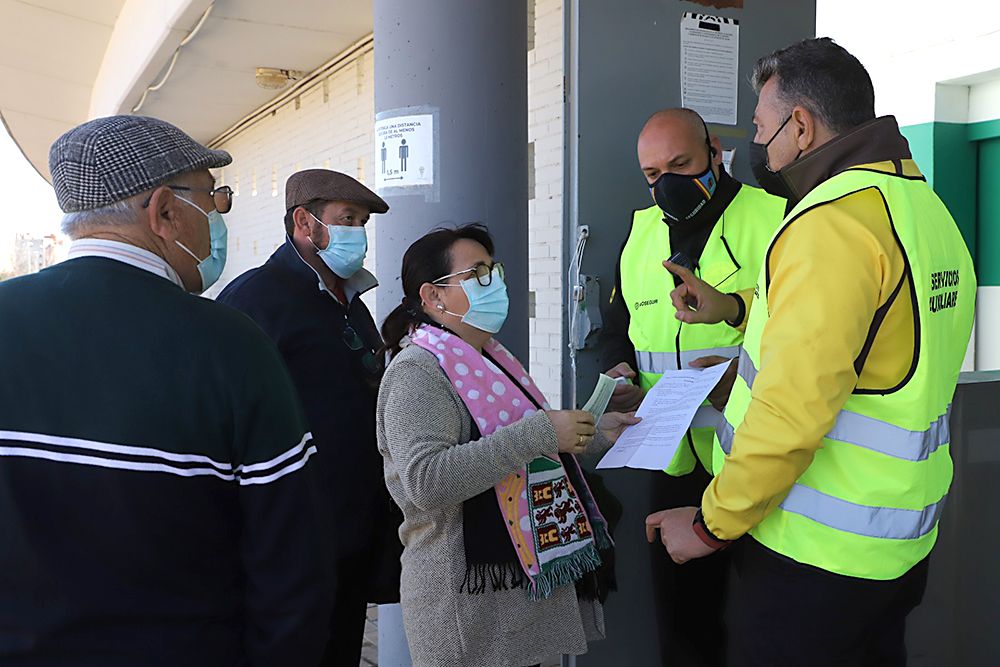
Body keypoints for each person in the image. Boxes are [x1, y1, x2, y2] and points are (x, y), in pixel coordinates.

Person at [645, 38, 976, 667]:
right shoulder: (922, 206)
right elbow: (876, 345)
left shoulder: (829, 221)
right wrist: (738, 314)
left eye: (763, 130)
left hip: (813, 558)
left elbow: (791, 413)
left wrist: (713, 524)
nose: (758, 149)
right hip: (892, 545)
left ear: (801, 125)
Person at [0, 115, 331, 665]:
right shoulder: (229, 344)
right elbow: (293, 566)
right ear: (165, 212)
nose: (219, 216)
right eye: (214, 199)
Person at [376, 224, 639, 667]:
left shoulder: (489, 358)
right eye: (476, 273)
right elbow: (427, 481)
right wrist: (542, 432)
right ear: (433, 296)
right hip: (465, 603)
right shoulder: (417, 372)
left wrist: (594, 431)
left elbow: (527, 445)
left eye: (493, 269)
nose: (494, 281)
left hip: (514, 597)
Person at [600, 107, 784, 664]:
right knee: (683, 625)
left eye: (681, 164)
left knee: (766, 618)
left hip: (759, 453)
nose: (668, 183)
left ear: (714, 150)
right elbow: (618, 328)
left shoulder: (777, 218)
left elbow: (806, 332)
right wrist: (619, 369)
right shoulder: (640, 232)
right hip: (673, 458)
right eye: (654, 174)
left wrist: (732, 317)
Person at [217, 168, 399, 667]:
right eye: (347, 219)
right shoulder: (257, 299)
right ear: (305, 222)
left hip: (352, 534)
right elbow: (227, 416)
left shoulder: (350, 304)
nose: (357, 232)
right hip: (293, 541)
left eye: (362, 222)